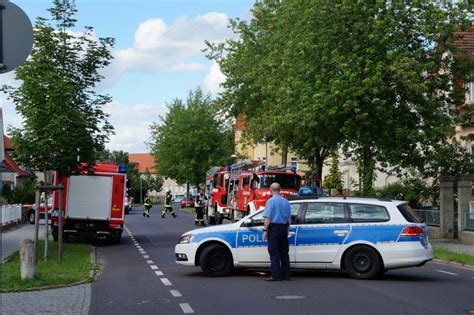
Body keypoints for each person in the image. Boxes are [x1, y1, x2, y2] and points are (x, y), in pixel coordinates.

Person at [262, 182, 291, 281]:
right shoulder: (286, 201)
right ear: (280, 189)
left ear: (271, 190)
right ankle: (286, 275)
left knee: (274, 253)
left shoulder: (270, 201)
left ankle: (275, 275)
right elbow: (289, 219)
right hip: (283, 228)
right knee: (284, 253)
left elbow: (268, 219)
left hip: (274, 229)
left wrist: (265, 230)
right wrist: (287, 230)